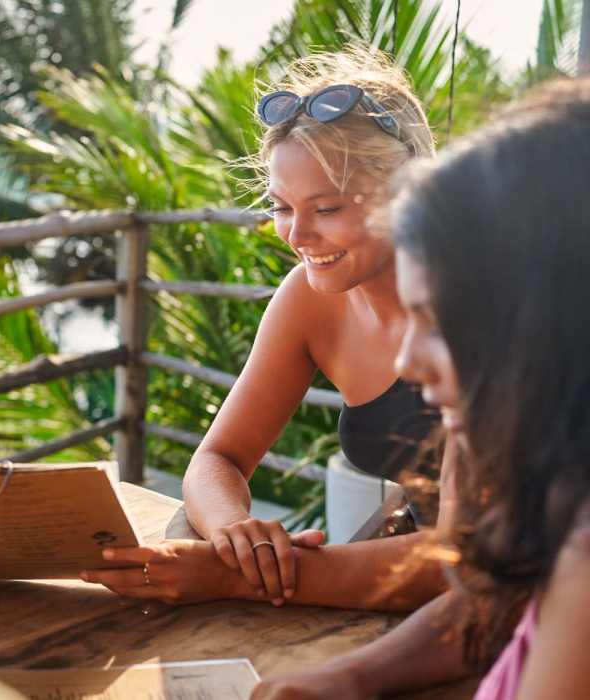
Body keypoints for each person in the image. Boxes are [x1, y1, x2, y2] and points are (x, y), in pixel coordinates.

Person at [252, 77, 590, 699]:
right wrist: (348, 679)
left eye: (440, 321)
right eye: (282, 206)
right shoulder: (555, 517)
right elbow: (484, 605)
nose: (407, 360)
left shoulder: (583, 560)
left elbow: (455, 572)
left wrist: (243, 578)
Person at [180, 47, 451, 606]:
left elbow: (483, 555)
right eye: (282, 207)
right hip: (416, 587)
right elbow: (218, 459)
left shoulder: (488, 305)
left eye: (327, 209)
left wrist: (235, 577)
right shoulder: (309, 299)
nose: (297, 236)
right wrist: (236, 532)